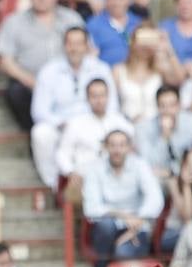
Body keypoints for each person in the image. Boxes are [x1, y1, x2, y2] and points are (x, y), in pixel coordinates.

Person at [30, 26, 117, 190]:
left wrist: (94, 121)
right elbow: (39, 111)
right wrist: (63, 123)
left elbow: (112, 106)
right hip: (62, 124)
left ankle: (103, 184)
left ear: (87, 46)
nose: (74, 48)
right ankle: (53, 185)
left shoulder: (100, 68)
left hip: (93, 121)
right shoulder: (49, 70)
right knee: (40, 133)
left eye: (79, 43)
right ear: (64, 46)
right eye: (70, 43)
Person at [0, 0, 84, 130]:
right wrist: (35, 83)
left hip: (68, 81)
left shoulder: (72, 19)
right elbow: (5, 61)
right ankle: (31, 132)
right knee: (16, 92)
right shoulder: (14, 22)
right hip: (30, 83)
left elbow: (87, 50)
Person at [83, 128, 163, 267]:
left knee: (122, 253)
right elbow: (91, 208)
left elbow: (155, 199)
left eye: (121, 145)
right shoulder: (95, 168)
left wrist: (137, 221)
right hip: (109, 225)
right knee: (105, 225)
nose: (117, 150)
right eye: (113, 145)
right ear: (106, 147)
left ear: (128, 147)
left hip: (137, 227)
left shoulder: (140, 165)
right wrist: (124, 216)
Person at [54, 77, 133, 208]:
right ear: (87, 98)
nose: (99, 100)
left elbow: (131, 152)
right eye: (94, 96)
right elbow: (62, 153)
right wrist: (70, 172)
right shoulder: (76, 123)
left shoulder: (121, 122)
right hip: (84, 178)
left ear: (108, 96)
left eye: (102, 95)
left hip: (117, 178)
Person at [134, 84, 192, 180]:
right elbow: (148, 163)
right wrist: (164, 137)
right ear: (157, 107)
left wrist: (174, 171)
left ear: (179, 105)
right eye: (163, 106)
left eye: (172, 105)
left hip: (185, 175)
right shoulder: (144, 128)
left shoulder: (190, 123)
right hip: (159, 179)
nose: (168, 111)